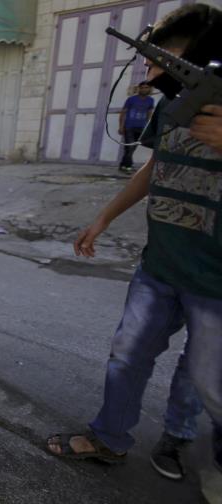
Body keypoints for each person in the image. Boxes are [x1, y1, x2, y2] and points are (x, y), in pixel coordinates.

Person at [45, 7, 222, 500]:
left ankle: (187, 442)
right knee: (128, 353)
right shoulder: (172, 107)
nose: (152, 64)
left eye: (168, 55)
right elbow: (157, 168)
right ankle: (109, 438)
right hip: (161, 264)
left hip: (216, 281)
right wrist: (103, 217)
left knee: (205, 378)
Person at [118, 81, 155, 173]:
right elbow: (123, 113)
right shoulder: (131, 99)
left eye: (146, 87)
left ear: (149, 89)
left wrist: (149, 127)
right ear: (138, 88)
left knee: (132, 148)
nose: (144, 89)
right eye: (142, 87)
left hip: (141, 127)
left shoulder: (150, 100)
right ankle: (128, 167)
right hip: (129, 126)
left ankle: (123, 165)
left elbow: (149, 114)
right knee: (129, 147)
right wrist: (121, 126)